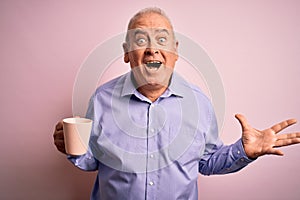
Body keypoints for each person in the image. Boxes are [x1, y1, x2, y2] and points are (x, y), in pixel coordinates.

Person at [53, 7, 300, 200]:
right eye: (140, 41)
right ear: (127, 52)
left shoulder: (199, 103)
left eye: (162, 40)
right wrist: (73, 147)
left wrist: (244, 152)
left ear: (176, 51)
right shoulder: (102, 99)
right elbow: (92, 161)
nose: (152, 50)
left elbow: (207, 162)